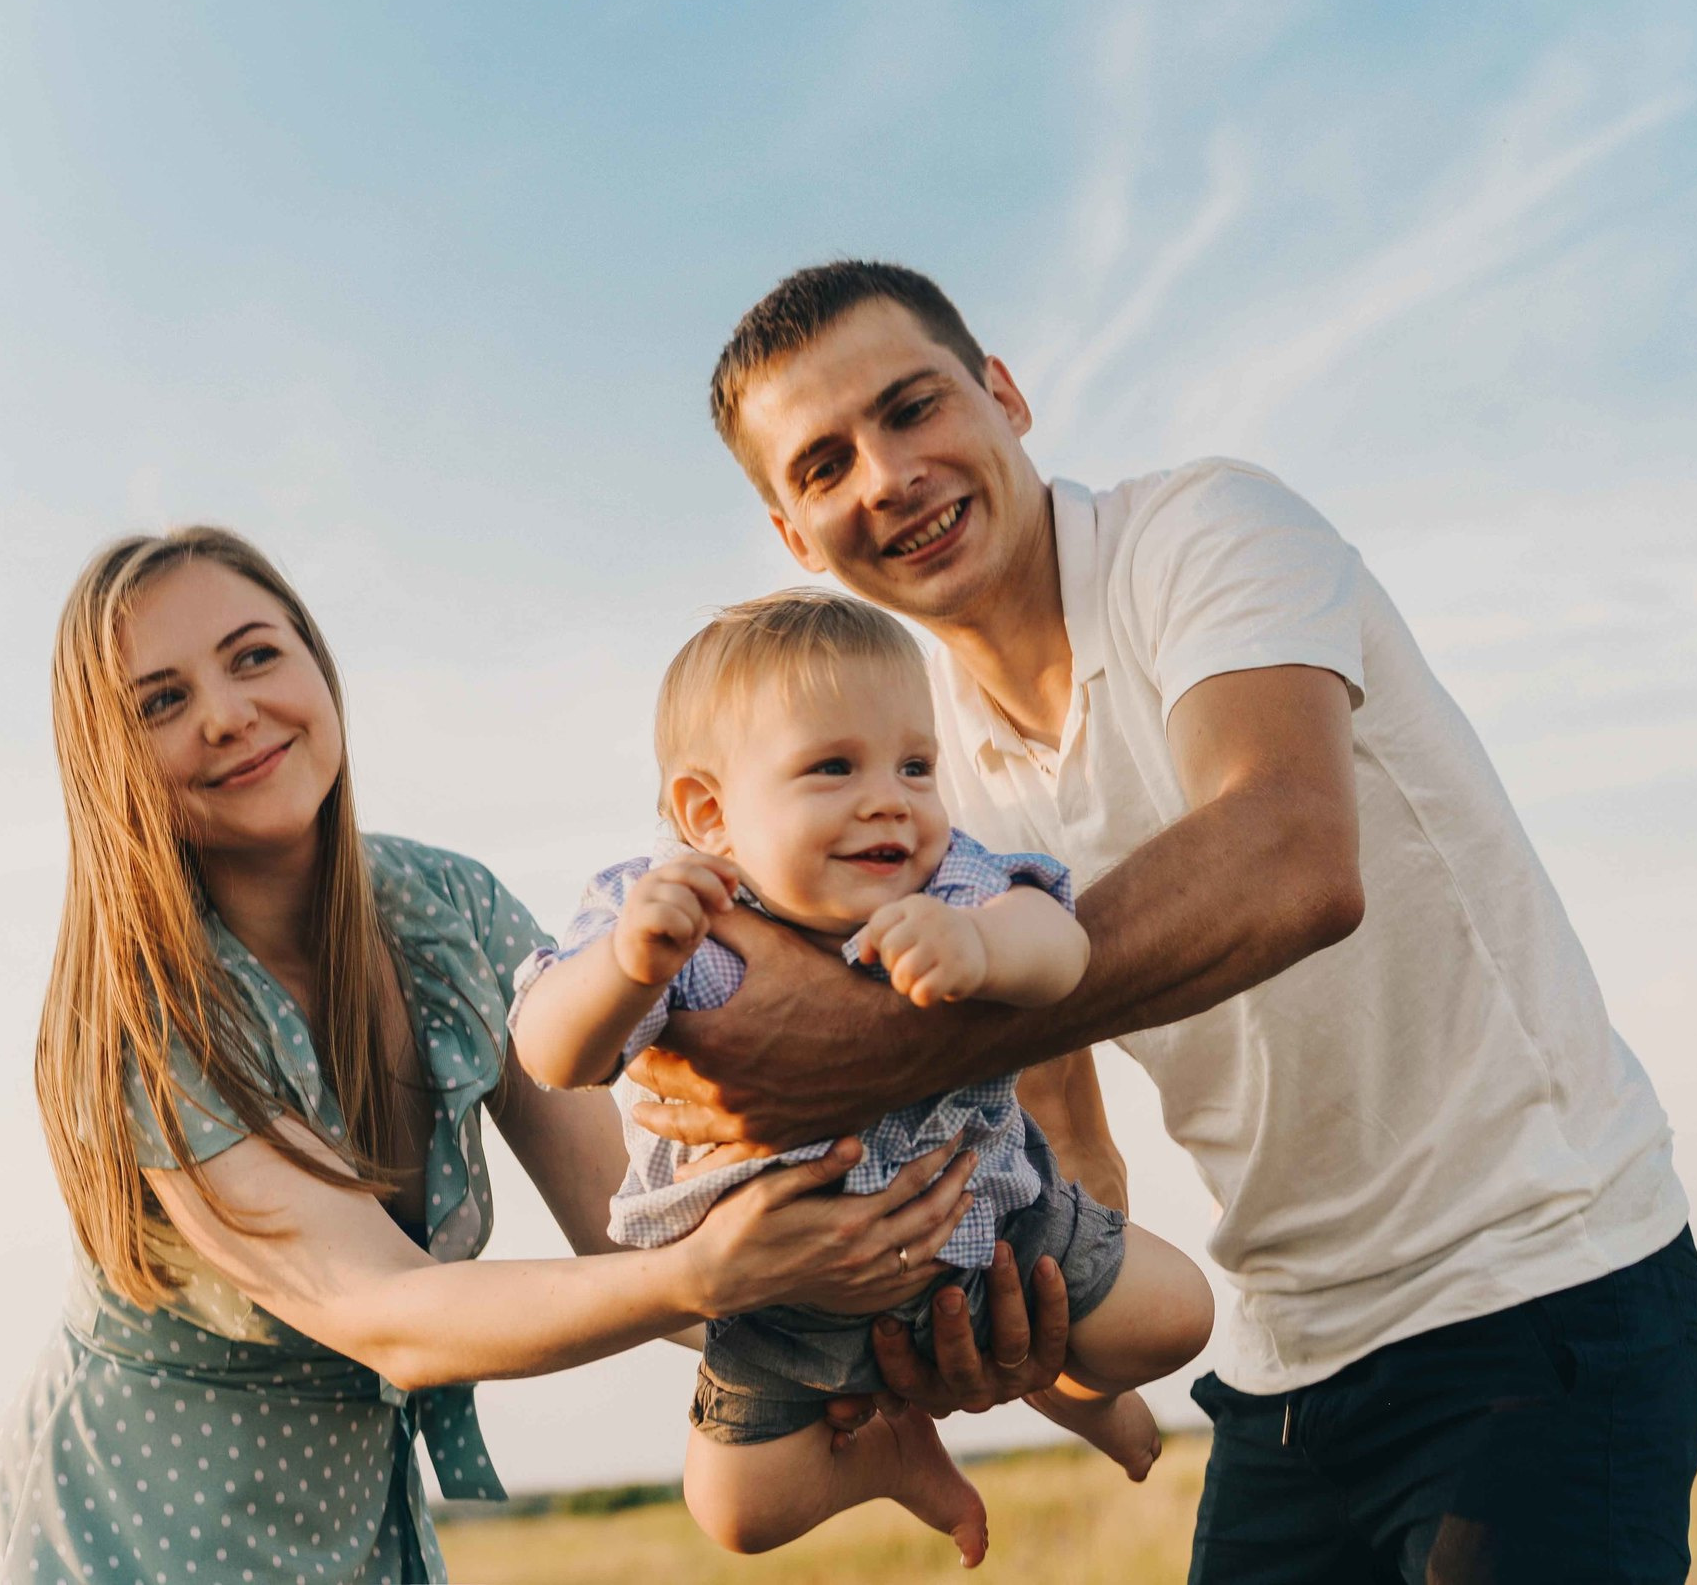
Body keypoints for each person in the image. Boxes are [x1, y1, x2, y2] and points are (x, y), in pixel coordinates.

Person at [625, 261, 1697, 1583]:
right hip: (1289, 1353)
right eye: (823, 466)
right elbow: (1057, 1125)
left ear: (1005, 396)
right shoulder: (921, 781)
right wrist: (1016, 1320)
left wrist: (877, 1049)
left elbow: (1290, 855)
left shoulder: (1208, 536)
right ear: (799, 539)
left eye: (914, 409)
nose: (887, 475)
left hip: (1541, 1285)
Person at [0, 527, 994, 1585]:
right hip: (120, 1538)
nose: (227, 712)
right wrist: (711, 1271)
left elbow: (624, 1232)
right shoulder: (143, 1009)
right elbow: (384, 1311)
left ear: (316, 663)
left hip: (357, 1532)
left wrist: (899, 1330)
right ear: (107, 758)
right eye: (160, 701)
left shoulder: (447, 907)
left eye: (256, 654)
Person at [510, 589, 1213, 1562]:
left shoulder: (944, 884)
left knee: (1178, 1314)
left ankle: (1072, 1387)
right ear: (708, 811)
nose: (890, 796)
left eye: (915, 764)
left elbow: (1061, 949)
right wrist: (625, 966)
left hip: (989, 1223)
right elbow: (554, 1055)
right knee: (736, 1509)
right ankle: (885, 1452)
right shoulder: (674, 916)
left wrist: (979, 943)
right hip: (781, 1287)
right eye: (834, 766)